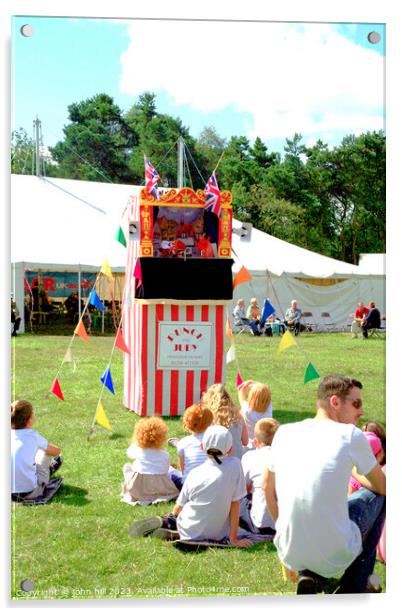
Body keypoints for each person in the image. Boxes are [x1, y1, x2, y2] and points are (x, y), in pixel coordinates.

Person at [263, 374, 386, 594]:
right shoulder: (351, 435)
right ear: (335, 402)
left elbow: (266, 489)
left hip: (288, 547)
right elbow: (383, 487)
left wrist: (284, 526)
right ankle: (355, 585)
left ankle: (309, 575)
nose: (362, 411)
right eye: (356, 403)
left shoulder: (284, 432)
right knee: (381, 498)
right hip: (333, 548)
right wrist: (356, 473)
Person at [129, 425, 252, 547]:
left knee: (182, 512)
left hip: (189, 528)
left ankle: (169, 522)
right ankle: (175, 528)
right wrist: (233, 538)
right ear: (230, 449)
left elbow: (179, 507)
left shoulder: (195, 474)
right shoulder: (236, 465)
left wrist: (174, 514)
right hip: (219, 534)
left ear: (202, 447)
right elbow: (235, 504)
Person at [11, 400, 63, 501]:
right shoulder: (33, 436)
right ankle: (46, 472)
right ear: (30, 420)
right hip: (29, 493)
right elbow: (56, 452)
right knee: (45, 453)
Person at [121, 417, 180, 506]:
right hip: (159, 487)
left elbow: (129, 453)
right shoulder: (164, 454)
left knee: (127, 466)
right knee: (170, 472)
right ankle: (157, 496)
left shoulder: (137, 450)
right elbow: (164, 470)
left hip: (139, 488)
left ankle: (140, 494)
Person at [240, 418, 280, 535]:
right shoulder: (291, 456)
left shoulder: (250, 457)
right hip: (288, 522)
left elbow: (241, 487)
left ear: (256, 442)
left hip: (261, 523)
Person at [203, 383, 248, 459]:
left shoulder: (209, 418)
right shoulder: (239, 416)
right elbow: (245, 441)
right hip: (236, 460)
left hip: (216, 461)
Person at [174, 403, 214, 488]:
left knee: (172, 474)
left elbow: (183, 469)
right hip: (211, 484)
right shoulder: (215, 440)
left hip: (189, 486)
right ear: (210, 421)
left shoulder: (183, 442)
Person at [237, 379, 273, 446]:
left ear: (251, 397)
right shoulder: (268, 408)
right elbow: (267, 391)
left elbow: (241, 391)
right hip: (263, 443)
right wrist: (253, 383)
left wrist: (248, 384)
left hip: (248, 444)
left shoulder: (247, 409)